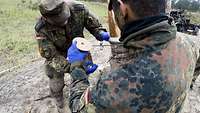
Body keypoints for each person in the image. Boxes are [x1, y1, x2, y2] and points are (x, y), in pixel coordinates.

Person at [66, 0, 200, 113]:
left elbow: (78, 106)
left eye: (113, 10)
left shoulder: (118, 87)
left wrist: (77, 66)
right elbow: (195, 69)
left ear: (122, 8)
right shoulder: (189, 43)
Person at [34, 0, 110, 110]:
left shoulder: (79, 9)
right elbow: (51, 56)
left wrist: (101, 33)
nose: (64, 22)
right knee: (55, 78)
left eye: (66, 18)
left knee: (84, 74)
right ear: (46, 18)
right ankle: (57, 96)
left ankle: (82, 96)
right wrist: (73, 68)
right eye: (59, 21)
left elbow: (94, 26)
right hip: (58, 53)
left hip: (80, 49)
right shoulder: (41, 29)